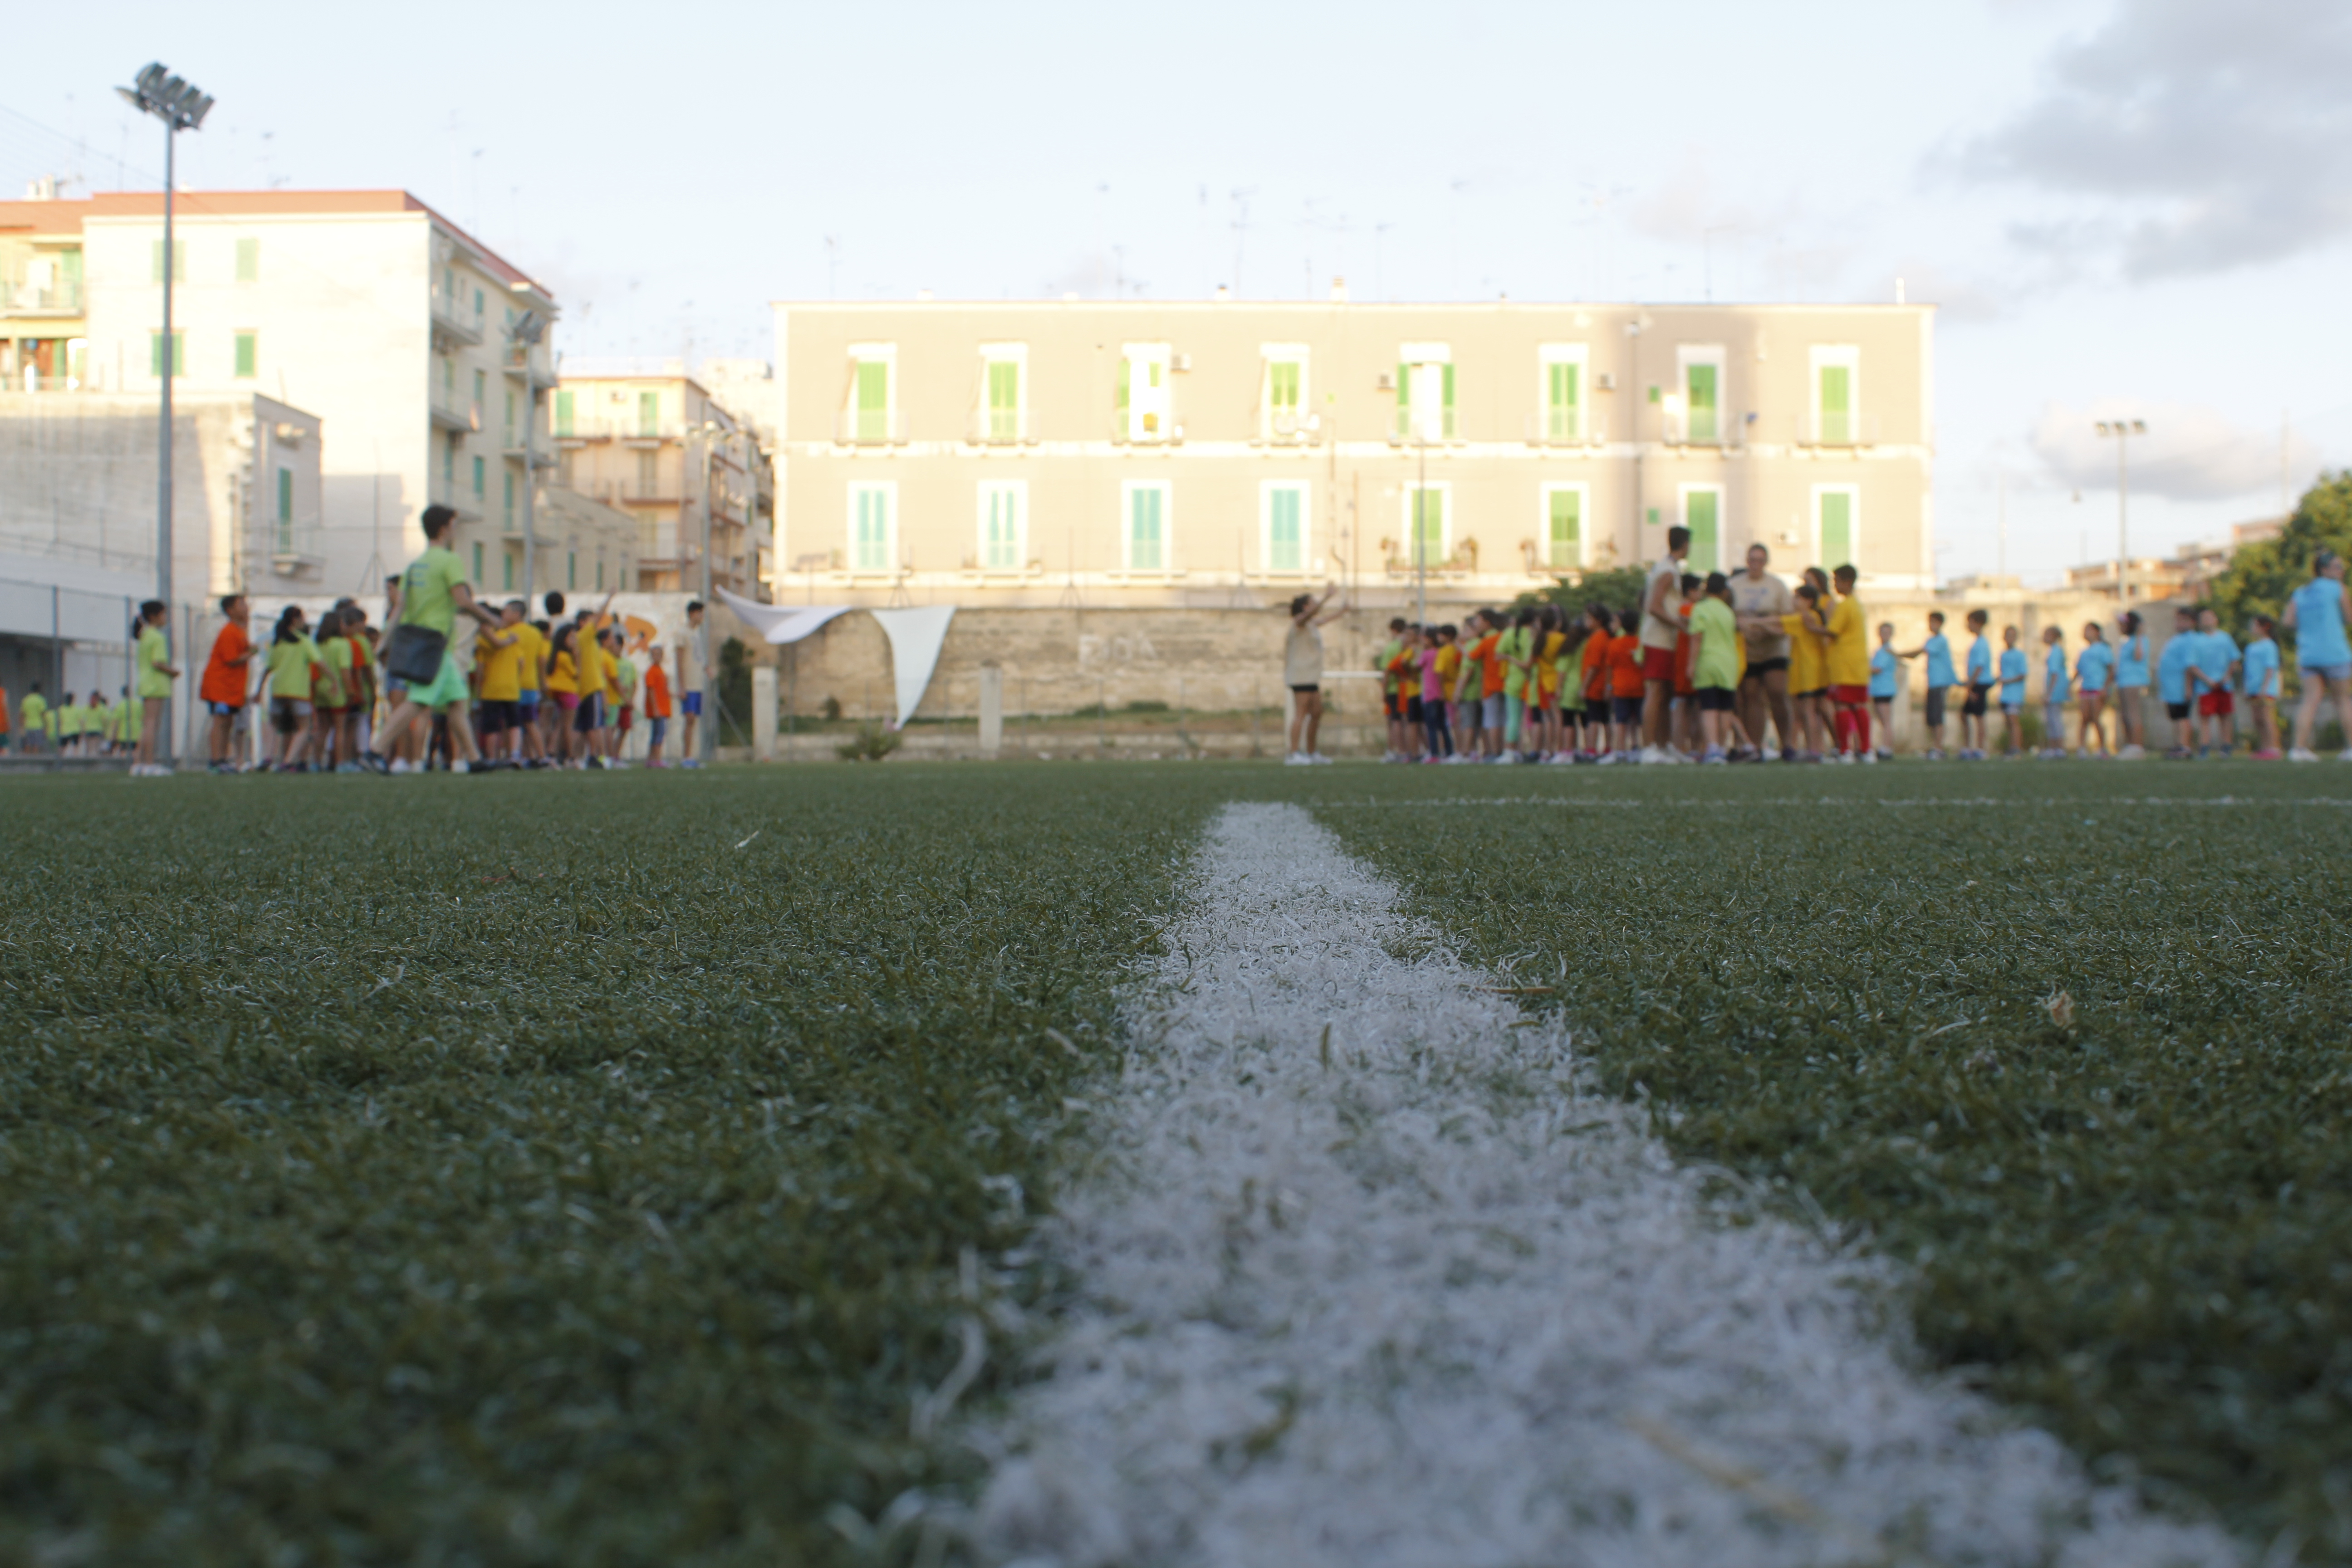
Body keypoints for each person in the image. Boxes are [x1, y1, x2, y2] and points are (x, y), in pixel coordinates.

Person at [363, 503, 503, 775]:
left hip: (427, 644)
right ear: (444, 528)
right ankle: (375, 751)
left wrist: (383, 643)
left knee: (457, 702)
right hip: (436, 644)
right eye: (453, 524)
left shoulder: (415, 566)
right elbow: (462, 600)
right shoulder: (450, 561)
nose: (455, 530)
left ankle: (474, 759)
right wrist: (491, 619)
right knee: (419, 701)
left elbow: (399, 609)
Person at [1730, 544, 1798, 760]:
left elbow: (1788, 618)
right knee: (1751, 697)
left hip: (1774, 648)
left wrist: (1766, 626)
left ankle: (1787, 743)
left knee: (1777, 692)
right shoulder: (1734, 585)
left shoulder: (1777, 586)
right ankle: (1755, 746)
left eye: (1760, 560)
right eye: (1752, 560)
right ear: (1747, 561)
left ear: (1766, 562)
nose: (1755, 564)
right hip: (1748, 650)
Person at [2284, 548, 2352, 762]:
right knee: (2343, 701)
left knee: (2309, 701)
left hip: (2308, 654)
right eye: (2337, 567)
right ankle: (2350, 749)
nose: (2341, 570)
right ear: (2324, 569)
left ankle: (2298, 749)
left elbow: (2288, 621)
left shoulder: (2301, 592)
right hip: (2335, 652)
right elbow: (2349, 617)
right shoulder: (2337, 588)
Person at [1638, 526, 1691, 763]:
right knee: (1657, 691)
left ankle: (1663, 745)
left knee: (1665, 692)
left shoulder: (1666, 568)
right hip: (1658, 638)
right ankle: (1649, 746)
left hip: (1665, 640)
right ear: (1685, 544)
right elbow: (1655, 607)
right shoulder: (1668, 571)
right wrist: (1679, 624)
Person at [1282, 582, 1343, 765]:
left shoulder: (1311, 625)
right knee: (1300, 714)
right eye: (1313, 602)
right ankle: (1293, 753)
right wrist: (1327, 597)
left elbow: (1324, 619)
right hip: (1300, 676)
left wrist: (1344, 611)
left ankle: (1311, 752)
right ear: (1306, 607)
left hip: (1311, 676)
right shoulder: (1299, 623)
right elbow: (1310, 615)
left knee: (1317, 712)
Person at [1687, 572, 1739, 764]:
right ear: (1725, 591)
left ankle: (1713, 747)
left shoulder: (1700, 609)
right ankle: (1722, 748)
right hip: (1729, 662)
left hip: (1707, 660)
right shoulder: (1728, 612)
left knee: (1709, 707)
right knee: (1726, 708)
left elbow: (1697, 637)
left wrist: (1691, 664)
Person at [201, 594, 255, 773]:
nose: (246, 608)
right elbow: (231, 659)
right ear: (230, 611)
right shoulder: (229, 631)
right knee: (220, 722)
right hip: (220, 687)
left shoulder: (239, 630)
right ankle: (215, 760)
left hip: (230, 688)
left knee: (228, 722)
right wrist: (251, 653)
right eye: (241, 605)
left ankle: (223, 759)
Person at [1822, 564, 1871, 762]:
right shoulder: (1857, 605)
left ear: (1847, 582)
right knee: (1859, 705)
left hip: (1845, 665)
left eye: (1836, 581)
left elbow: (1832, 631)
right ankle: (1866, 750)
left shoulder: (1844, 606)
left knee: (1842, 706)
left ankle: (1845, 751)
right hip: (1858, 665)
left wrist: (1812, 627)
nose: (1835, 585)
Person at [264, 606, 320, 771]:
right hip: (298, 691)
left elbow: (269, 668)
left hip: (278, 689)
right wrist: (334, 681)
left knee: (274, 725)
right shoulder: (303, 640)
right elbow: (319, 662)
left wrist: (259, 689)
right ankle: (288, 762)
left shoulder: (278, 641)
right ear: (296, 620)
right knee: (304, 728)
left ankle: (267, 757)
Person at [130, 598, 179, 777]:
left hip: (146, 682)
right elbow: (157, 662)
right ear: (154, 616)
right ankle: (149, 763)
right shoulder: (157, 637)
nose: (166, 618)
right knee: (151, 724)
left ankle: (138, 763)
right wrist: (173, 672)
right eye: (163, 614)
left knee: (147, 724)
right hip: (155, 684)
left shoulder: (145, 635)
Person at [1899, 612, 1955, 759]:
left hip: (1940, 683)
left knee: (1938, 716)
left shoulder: (1941, 641)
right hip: (1932, 683)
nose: (1931, 625)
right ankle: (1934, 746)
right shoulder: (1930, 640)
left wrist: (1898, 654)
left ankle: (1939, 747)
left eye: (1933, 622)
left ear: (1940, 623)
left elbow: (1918, 652)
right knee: (1931, 716)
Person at [2186, 606, 2239, 758]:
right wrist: (2207, 680)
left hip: (2225, 685)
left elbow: (2234, 659)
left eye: (2211, 617)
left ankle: (2226, 747)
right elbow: (2192, 665)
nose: (2208, 621)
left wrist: (2226, 677)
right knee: (2205, 718)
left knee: (2226, 716)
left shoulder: (2225, 638)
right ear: (2200, 623)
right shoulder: (2197, 641)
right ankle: (2204, 748)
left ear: (2216, 620)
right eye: (2204, 619)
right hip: (2205, 687)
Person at [2155, 606, 2199, 759]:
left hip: (2180, 686)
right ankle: (2178, 745)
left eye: (2184, 621)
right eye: (2178, 620)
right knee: (2176, 718)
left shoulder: (2190, 639)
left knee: (2183, 717)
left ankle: (2185, 747)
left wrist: (2188, 687)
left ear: (2192, 622)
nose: (2180, 624)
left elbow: (2190, 665)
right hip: (2171, 688)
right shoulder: (2176, 639)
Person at [1604, 609, 1644, 763]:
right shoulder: (1641, 643)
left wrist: (1609, 687)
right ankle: (1637, 747)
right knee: (1640, 721)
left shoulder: (1614, 644)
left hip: (1620, 687)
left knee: (1621, 721)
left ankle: (1621, 750)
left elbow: (1609, 667)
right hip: (1640, 688)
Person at [2241, 613, 2282, 759]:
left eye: (2255, 625)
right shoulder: (2251, 647)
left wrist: (2265, 688)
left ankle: (2274, 748)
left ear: (2264, 628)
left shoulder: (2270, 646)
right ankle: (2265, 748)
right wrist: (2246, 688)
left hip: (2266, 689)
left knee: (2267, 718)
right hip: (2253, 689)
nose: (2252, 628)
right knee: (2257, 719)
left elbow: (2270, 668)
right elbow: (2247, 670)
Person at [2112, 610, 2150, 758]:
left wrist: (2140, 634)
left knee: (2133, 713)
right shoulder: (2126, 642)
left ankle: (2137, 746)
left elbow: (2139, 656)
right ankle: (2130, 745)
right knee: (2125, 715)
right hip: (2123, 682)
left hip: (2134, 682)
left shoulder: (2141, 640)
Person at [2075, 622, 2114, 758]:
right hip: (2086, 688)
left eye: (2089, 630)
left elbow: (2111, 670)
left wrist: (2105, 687)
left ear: (2097, 632)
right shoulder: (2084, 652)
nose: (2086, 633)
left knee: (2096, 718)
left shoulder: (2104, 649)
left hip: (2098, 688)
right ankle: (2081, 748)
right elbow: (2078, 671)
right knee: (2084, 718)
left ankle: (2103, 748)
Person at [1960, 609, 1994, 760]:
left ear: (1978, 623)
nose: (1968, 625)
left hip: (1979, 684)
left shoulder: (1982, 643)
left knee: (1979, 716)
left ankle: (1981, 749)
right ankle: (1968, 747)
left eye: (1970, 622)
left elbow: (1980, 667)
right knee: (1964, 714)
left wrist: (1970, 685)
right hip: (1975, 683)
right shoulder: (1977, 642)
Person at [1419, 623, 1454, 762]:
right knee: (1443, 726)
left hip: (1431, 695)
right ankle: (1449, 752)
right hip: (1441, 694)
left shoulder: (1427, 654)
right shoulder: (1441, 652)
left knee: (1431, 727)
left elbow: (1417, 665)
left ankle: (1434, 753)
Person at [679, 598, 708, 766]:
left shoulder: (696, 634)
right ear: (692, 614)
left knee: (693, 720)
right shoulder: (682, 633)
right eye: (700, 613)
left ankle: (690, 756)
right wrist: (682, 685)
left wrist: (706, 668)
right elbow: (679, 660)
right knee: (689, 719)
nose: (702, 617)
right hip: (688, 684)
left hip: (697, 684)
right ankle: (686, 757)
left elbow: (699, 657)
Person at [1869, 623, 1900, 760]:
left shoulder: (1887, 651)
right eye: (1883, 632)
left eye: (1888, 632)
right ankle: (1885, 746)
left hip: (1884, 689)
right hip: (1878, 689)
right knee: (1883, 720)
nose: (1885, 635)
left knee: (1886, 720)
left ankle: (1887, 748)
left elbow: (1877, 669)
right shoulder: (1880, 650)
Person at [2038, 625, 2070, 759]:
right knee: (2052, 719)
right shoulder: (2054, 651)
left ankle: (2058, 748)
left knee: (2054, 719)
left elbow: (2055, 674)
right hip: (2055, 690)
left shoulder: (2056, 651)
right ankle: (2054, 748)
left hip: (2055, 691)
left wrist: (2049, 693)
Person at [1996, 625, 2028, 757]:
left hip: (2015, 694)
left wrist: (2007, 681)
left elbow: (2023, 674)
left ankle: (2017, 748)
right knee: (2008, 722)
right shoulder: (2003, 655)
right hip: (2005, 695)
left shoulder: (2020, 655)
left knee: (2014, 721)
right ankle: (2011, 746)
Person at [642, 640, 673, 767]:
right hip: (658, 709)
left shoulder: (661, 671)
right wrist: (655, 708)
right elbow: (651, 690)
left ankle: (651, 760)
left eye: (659, 654)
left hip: (663, 707)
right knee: (659, 734)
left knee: (657, 734)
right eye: (654, 654)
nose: (657, 657)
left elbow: (664, 690)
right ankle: (657, 759)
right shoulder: (651, 671)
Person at [20, 682, 48, 755]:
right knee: (37, 745)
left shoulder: (26, 700)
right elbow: (43, 714)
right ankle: (36, 762)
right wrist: (46, 726)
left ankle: (27, 762)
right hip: (39, 725)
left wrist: (21, 727)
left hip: (28, 725)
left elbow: (22, 715)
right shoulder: (41, 700)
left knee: (27, 745)